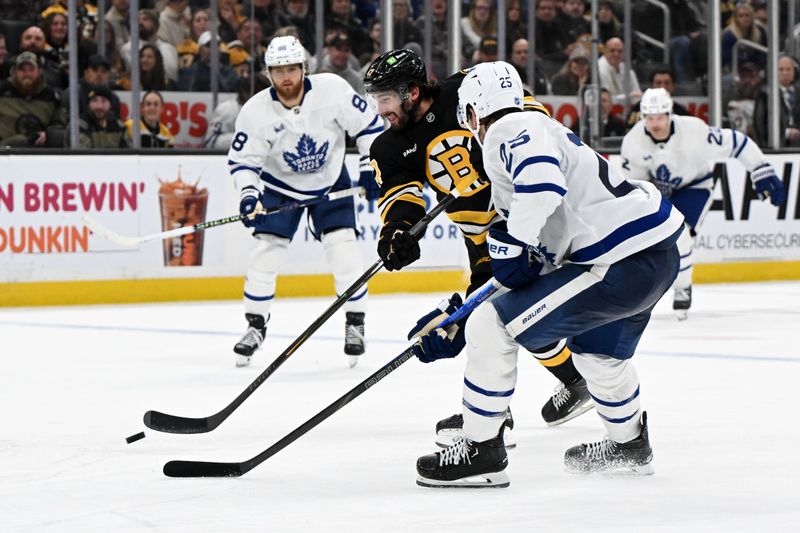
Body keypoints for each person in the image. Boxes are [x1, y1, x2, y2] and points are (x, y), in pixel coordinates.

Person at [412, 61, 686, 488]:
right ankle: (629, 445)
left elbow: (540, 190)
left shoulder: (506, 129)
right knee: (597, 353)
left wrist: (479, 307)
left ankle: (481, 449)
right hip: (654, 254)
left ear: (471, 112)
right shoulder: (537, 126)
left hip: (616, 261)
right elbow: (532, 262)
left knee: (493, 323)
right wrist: (457, 314)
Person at [363, 49, 593, 443]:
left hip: (522, 217)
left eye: (385, 98)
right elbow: (401, 199)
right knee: (501, 315)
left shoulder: (466, 90)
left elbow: (526, 115)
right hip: (482, 238)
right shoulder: (387, 147)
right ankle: (572, 382)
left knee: (494, 317)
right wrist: (398, 232)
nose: (379, 109)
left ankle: (493, 414)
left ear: (413, 92)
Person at [227, 36, 383, 368]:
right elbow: (244, 162)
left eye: (291, 69)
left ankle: (355, 322)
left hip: (330, 182)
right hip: (280, 187)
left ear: (304, 68)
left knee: (344, 250)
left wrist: (370, 165)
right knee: (265, 254)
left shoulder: (332, 90)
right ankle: (255, 326)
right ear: (268, 73)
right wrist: (248, 194)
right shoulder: (255, 111)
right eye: (278, 70)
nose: (286, 77)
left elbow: (369, 126)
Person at [621, 88, 785, 319]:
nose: (655, 123)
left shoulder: (694, 130)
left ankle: (682, 287)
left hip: (694, 187)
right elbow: (636, 185)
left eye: (659, 117)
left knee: (682, 234)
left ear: (669, 114)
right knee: (660, 242)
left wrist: (759, 168)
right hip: (658, 194)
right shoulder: (632, 143)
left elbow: (736, 142)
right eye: (649, 117)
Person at [0, 51, 66, 148]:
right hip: (5, 153)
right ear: (14, 72)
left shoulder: (50, 96)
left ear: (39, 71)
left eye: (31, 69)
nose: (27, 74)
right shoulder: (2, 92)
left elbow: (60, 124)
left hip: (40, 153)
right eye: (22, 70)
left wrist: (48, 134)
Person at [205, 73, 270, 149]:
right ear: (244, 93)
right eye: (258, 94)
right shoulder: (228, 109)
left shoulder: (269, 112)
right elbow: (211, 141)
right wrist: (245, 138)